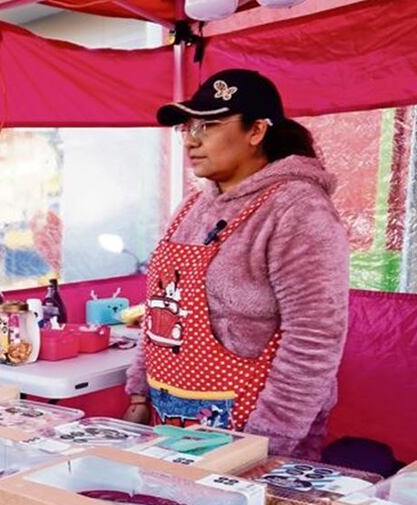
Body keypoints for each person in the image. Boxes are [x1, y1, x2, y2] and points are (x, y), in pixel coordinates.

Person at [124, 69, 350, 460]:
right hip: (171, 421)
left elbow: (314, 337)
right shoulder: (194, 205)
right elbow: (163, 305)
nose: (191, 140)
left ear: (257, 131)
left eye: (209, 125)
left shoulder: (297, 208)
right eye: (188, 127)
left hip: (256, 432)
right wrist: (139, 391)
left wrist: (265, 442)